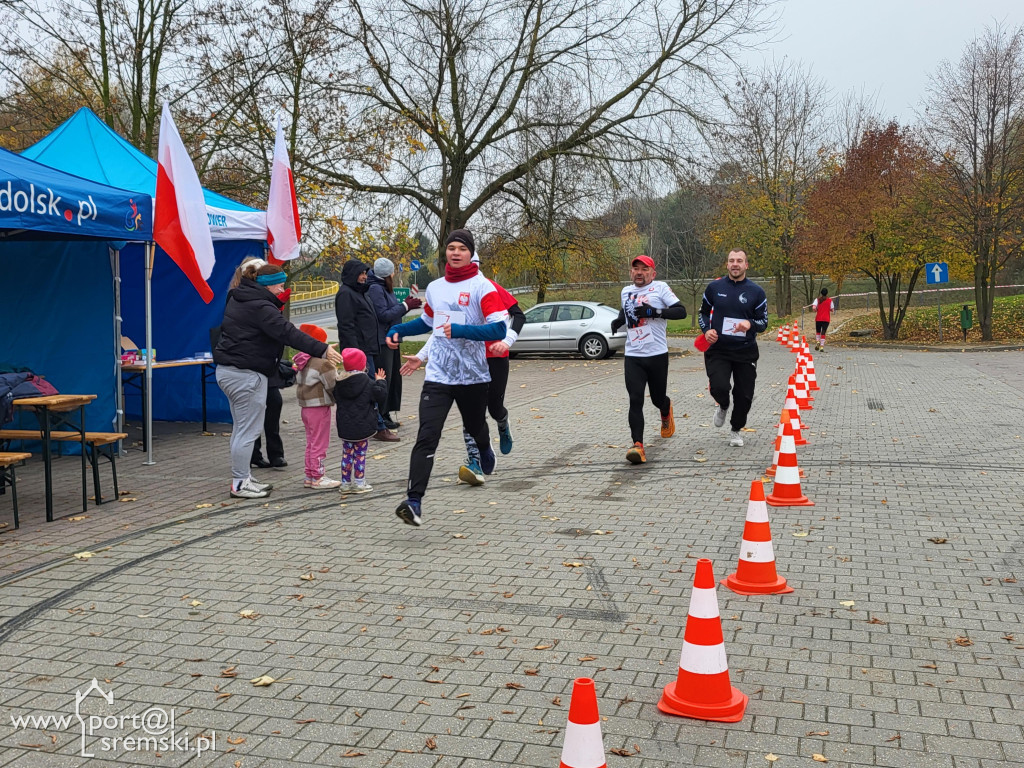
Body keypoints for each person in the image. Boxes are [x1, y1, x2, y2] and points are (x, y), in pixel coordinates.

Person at [385, 228, 510, 526]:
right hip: (438, 376)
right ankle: (413, 501)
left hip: (472, 377)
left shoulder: (483, 287)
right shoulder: (436, 287)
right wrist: (398, 330)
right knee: (426, 436)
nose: (455, 253)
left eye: (461, 249)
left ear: (470, 253)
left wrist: (463, 330)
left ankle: (484, 446)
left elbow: (499, 330)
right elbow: (429, 321)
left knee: (475, 426)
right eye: (451, 248)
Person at [214, 262, 343, 498]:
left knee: (241, 429)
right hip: (247, 375)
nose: (283, 289)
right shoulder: (261, 307)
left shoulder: (240, 298)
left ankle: (243, 476)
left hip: (230, 371)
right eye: (280, 285)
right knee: (248, 431)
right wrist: (322, 349)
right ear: (268, 286)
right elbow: (288, 333)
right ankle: (240, 483)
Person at [404, 252, 525, 482]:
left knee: (494, 407)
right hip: (466, 361)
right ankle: (475, 462)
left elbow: (518, 317)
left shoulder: (488, 287)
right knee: (471, 411)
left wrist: (506, 341)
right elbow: (442, 330)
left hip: (495, 356)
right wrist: (422, 356)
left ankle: (502, 421)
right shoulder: (451, 292)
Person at [609, 254, 687, 465]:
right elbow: (625, 312)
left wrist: (654, 311)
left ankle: (665, 408)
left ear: (653, 273)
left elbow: (681, 312)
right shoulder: (626, 291)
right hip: (633, 355)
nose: (639, 273)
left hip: (657, 354)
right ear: (630, 272)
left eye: (645, 269)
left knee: (657, 398)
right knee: (635, 399)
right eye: (636, 269)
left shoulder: (660, 288)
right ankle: (638, 446)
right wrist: (618, 321)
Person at [698, 249, 769, 448]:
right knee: (720, 387)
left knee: (744, 395)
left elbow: (763, 322)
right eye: (731, 261)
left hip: (745, 350)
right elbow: (702, 313)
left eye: (739, 261)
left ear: (746, 265)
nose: (735, 264)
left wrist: (750, 324)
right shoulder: (714, 287)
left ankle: (736, 430)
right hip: (718, 349)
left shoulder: (756, 292)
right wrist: (706, 330)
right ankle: (723, 405)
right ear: (727, 264)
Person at [335, 259, 395, 442]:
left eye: (365, 273)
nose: (364, 276)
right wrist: (355, 353)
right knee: (368, 388)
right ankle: (378, 427)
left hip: (368, 348)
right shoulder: (346, 294)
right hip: (359, 352)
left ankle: (373, 424)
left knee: (367, 387)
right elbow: (347, 325)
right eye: (361, 273)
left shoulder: (361, 292)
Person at [366, 257, 423, 430]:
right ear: (388, 273)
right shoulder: (376, 288)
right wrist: (405, 305)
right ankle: (381, 415)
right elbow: (383, 314)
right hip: (383, 342)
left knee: (393, 379)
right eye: (392, 271)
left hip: (392, 338)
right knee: (385, 377)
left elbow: (390, 310)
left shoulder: (384, 288)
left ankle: (386, 412)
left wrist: (404, 305)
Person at [292, 323, 341, 490]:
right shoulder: (323, 364)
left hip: (306, 407)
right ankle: (319, 476)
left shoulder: (303, 360)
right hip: (319, 406)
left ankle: (310, 475)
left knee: (311, 442)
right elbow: (333, 385)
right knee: (320, 442)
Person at [333, 348, 388, 494]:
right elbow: (379, 395)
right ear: (363, 365)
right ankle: (359, 482)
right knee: (360, 455)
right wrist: (381, 382)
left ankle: (345, 483)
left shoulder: (339, 382)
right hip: (363, 426)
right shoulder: (367, 382)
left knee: (347, 454)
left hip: (345, 426)